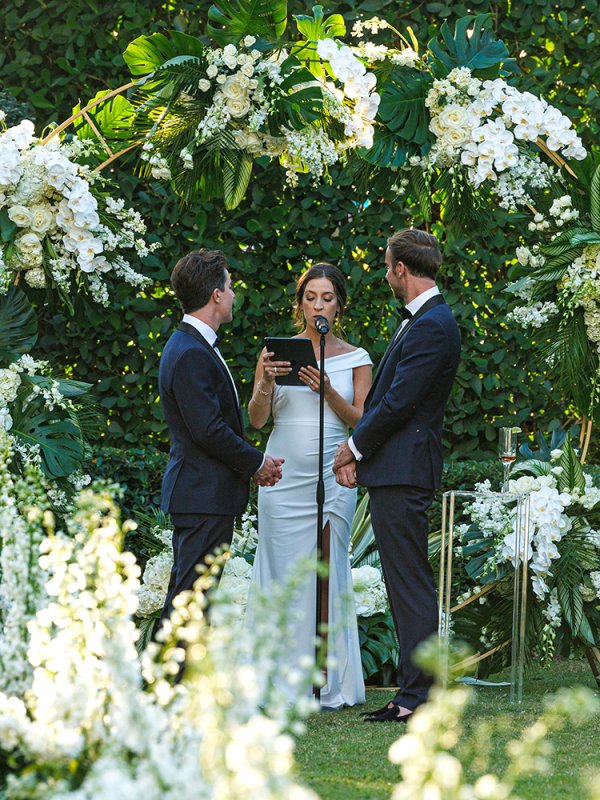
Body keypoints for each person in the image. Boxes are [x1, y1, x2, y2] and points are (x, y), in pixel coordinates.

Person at [333, 229, 461, 722]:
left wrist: (352, 448)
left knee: (409, 583)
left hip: (404, 472)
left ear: (401, 269)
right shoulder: (425, 320)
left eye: (388, 266)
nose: (386, 275)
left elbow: (397, 403)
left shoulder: (432, 325)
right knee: (407, 581)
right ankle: (416, 690)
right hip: (397, 469)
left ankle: (417, 695)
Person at [246, 263, 373, 709]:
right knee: (283, 572)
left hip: (333, 476)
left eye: (327, 298)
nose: (318, 306)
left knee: (327, 572)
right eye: (310, 297)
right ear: (300, 303)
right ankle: (277, 679)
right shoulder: (276, 352)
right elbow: (256, 420)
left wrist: (328, 392)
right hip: (283, 478)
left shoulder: (357, 358)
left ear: (339, 306)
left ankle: (327, 681)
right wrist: (265, 381)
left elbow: (365, 421)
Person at [157, 248, 284, 629]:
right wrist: (257, 462)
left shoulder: (190, 345)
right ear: (215, 295)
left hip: (202, 494)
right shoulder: (191, 352)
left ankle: (169, 667)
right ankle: (166, 668)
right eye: (229, 287)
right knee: (190, 602)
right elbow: (208, 430)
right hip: (202, 495)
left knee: (189, 598)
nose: (232, 294)